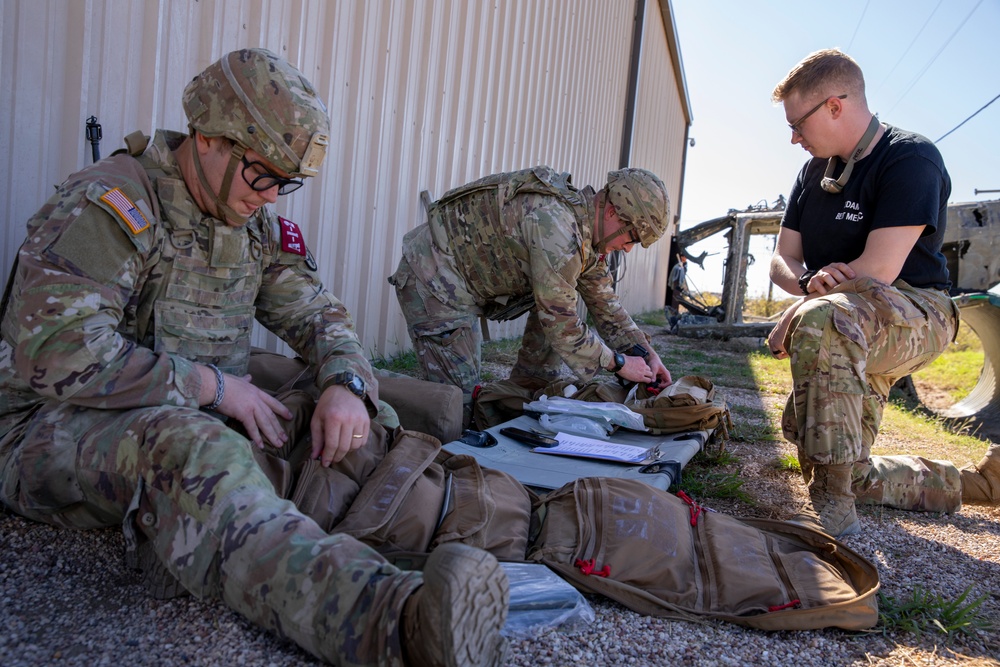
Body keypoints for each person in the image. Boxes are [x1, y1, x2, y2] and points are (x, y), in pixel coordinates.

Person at [0, 48, 509, 666]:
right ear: (208, 137)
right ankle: (394, 623)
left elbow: (319, 316)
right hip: (40, 429)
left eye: (283, 181)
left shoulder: (253, 228)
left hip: (179, 404)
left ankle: (521, 532)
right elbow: (54, 354)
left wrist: (345, 383)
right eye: (260, 174)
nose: (269, 197)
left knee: (346, 415)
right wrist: (212, 389)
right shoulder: (113, 205)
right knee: (194, 448)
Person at [766, 48, 999, 538]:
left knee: (826, 321)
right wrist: (807, 284)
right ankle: (981, 486)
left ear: (834, 105)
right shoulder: (814, 173)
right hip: (848, 316)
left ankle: (831, 515)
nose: (793, 138)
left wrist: (808, 306)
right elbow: (781, 259)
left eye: (798, 124)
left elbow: (879, 271)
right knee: (854, 471)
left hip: (918, 311)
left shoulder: (910, 157)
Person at [389, 166, 673, 423]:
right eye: (632, 237)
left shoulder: (585, 232)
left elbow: (607, 307)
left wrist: (646, 355)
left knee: (556, 309)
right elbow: (562, 327)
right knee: (454, 408)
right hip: (434, 279)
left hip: (462, 282)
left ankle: (525, 392)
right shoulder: (557, 230)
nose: (628, 249)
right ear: (612, 213)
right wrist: (619, 363)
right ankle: (370, 393)